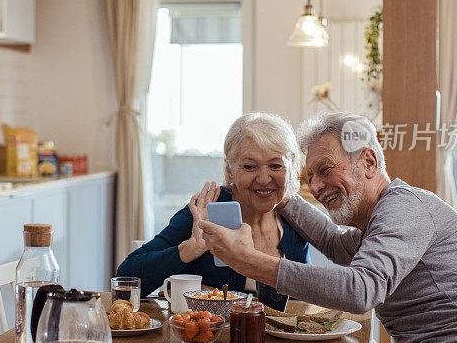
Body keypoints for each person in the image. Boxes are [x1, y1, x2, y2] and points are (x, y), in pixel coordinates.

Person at [198, 112, 457, 343]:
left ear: (369, 162)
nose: (315, 187)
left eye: (325, 170)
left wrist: (250, 261)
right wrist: (279, 190)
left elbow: (360, 290)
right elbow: (331, 241)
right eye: (309, 176)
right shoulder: (377, 226)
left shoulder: (405, 207)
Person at [115, 112, 312, 311]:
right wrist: (191, 247)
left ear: (293, 168)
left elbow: (301, 300)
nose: (263, 178)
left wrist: (221, 298)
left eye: (275, 165)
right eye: (250, 166)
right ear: (230, 170)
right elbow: (125, 281)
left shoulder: (293, 221)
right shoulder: (205, 213)